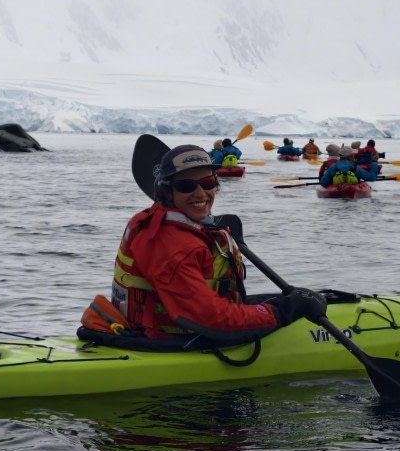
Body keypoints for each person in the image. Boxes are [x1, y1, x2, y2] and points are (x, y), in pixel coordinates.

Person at [106, 144, 325, 343]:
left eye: (207, 183)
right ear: (167, 191)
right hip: (172, 338)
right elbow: (212, 319)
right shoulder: (172, 246)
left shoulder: (161, 219)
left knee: (297, 299)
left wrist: (209, 228)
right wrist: (283, 311)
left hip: (178, 325)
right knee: (288, 306)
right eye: (186, 186)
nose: (200, 193)